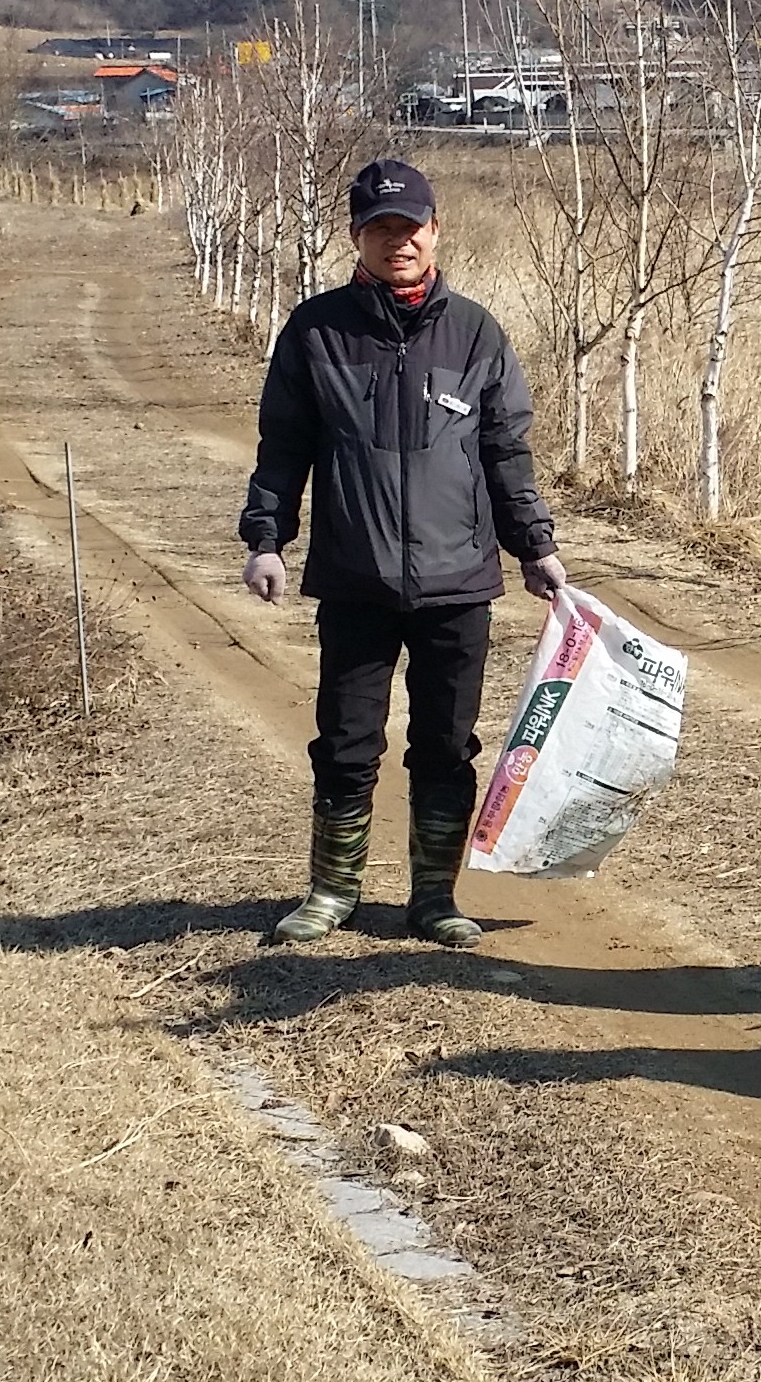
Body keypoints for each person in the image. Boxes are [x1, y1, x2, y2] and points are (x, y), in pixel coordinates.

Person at [239, 154, 566, 948]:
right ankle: (331, 892)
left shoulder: (476, 331)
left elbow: (505, 451)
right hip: (356, 576)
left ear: (435, 231)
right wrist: (266, 538)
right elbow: (283, 447)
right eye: (381, 229)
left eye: (410, 227)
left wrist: (534, 547)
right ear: (357, 237)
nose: (398, 243)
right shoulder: (315, 331)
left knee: (446, 746)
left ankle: (434, 900)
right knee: (346, 742)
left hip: (459, 581)